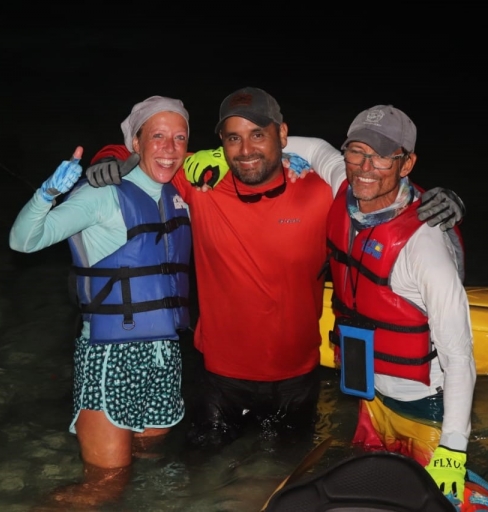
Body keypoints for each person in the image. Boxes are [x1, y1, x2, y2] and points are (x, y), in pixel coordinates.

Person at [85, 87, 465, 451]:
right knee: (200, 482)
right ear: (222, 145)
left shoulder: (322, 191)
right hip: (220, 379)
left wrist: (441, 200)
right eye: (233, 139)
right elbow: (155, 153)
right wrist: (108, 156)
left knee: (280, 481)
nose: (246, 149)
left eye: (258, 135)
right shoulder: (201, 183)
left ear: (282, 134)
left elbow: (379, 188)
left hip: (296, 382)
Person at [9, 96, 192, 508]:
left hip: (164, 354)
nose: (169, 147)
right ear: (136, 142)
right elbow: (23, 241)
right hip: (112, 355)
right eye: (157, 136)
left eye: (179, 137)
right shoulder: (102, 194)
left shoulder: (178, 197)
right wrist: (48, 192)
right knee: (105, 484)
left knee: (151, 463)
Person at [326, 104, 476, 501]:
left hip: (423, 406)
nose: (364, 165)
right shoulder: (342, 184)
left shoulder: (425, 247)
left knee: (427, 500)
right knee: (368, 497)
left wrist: (453, 449)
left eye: (381, 156)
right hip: (370, 398)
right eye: (356, 151)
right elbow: (296, 146)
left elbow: (460, 358)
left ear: (406, 164)